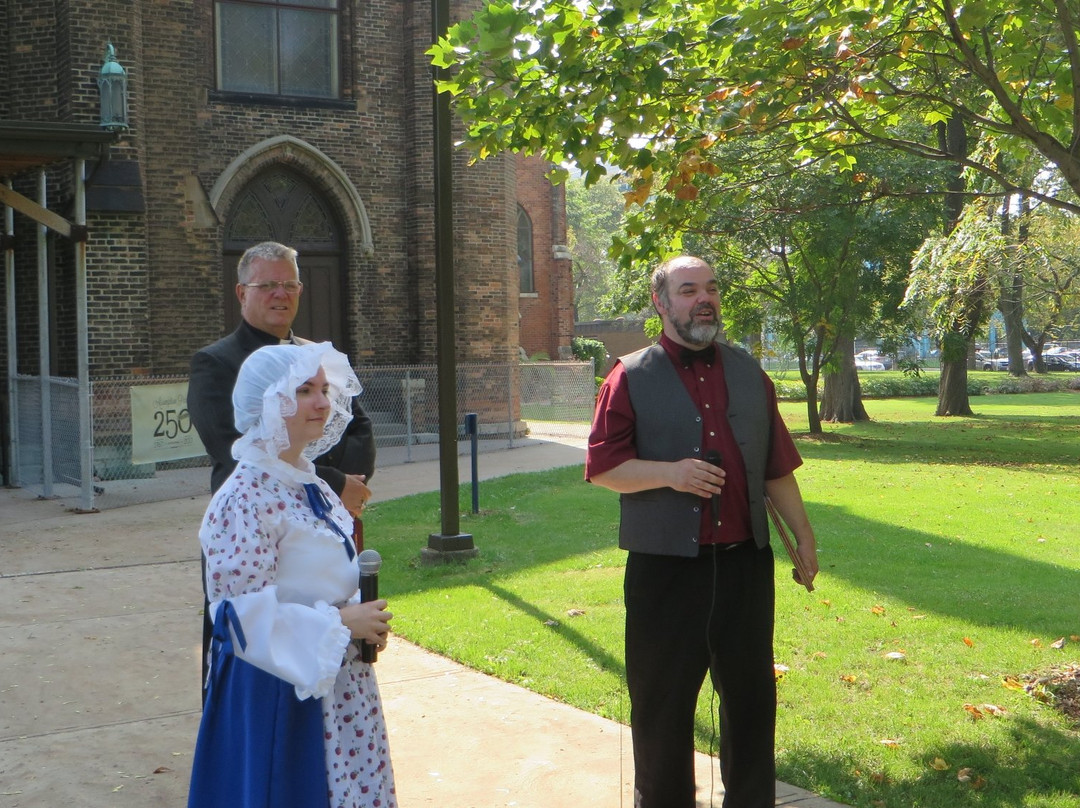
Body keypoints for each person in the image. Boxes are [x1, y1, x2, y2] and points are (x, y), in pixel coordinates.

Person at [585, 255, 818, 808]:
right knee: (662, 709)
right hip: (665, 572)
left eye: (710, 288)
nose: (704, 298)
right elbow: (603, 468)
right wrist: (671, 474)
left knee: (753, 705)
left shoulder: (747, 372)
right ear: (661, 304)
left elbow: (775, 466)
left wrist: (802, 535)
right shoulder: (630, 376)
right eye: (689, 289)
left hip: (744, 566)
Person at [187, 342, 396, 808]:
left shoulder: (312, 484)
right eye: (304, 390)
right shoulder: (244, 497)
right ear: (267, 402)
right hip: (280, 696)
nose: (323, 401)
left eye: (324, 389)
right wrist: (343, 624)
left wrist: (363, 622)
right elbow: (238, 621)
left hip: (341, 689)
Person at [188, 241, 376, 696]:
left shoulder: (318, 355)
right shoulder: (217, 362)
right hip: (261, 526)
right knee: (258, 647)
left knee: (338, 628)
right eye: (268, 284)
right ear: (241, 292)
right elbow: (229, 444)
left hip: (325, 509)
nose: (280, 293)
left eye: (289, 283)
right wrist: (335, 481)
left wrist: (340, 489)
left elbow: (360, 429)